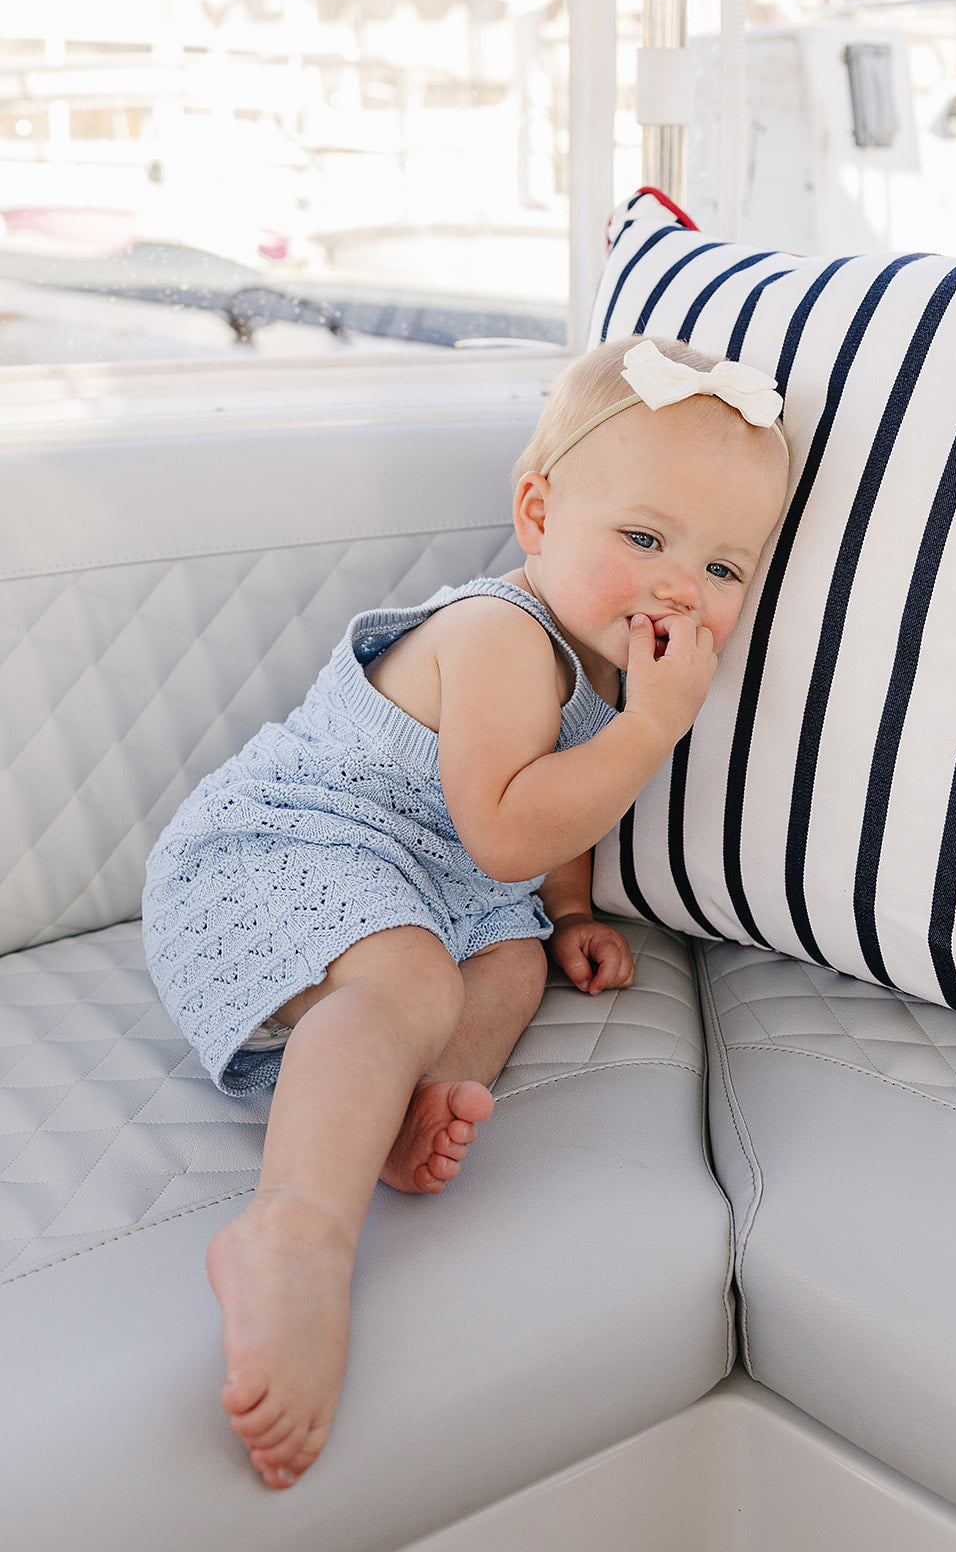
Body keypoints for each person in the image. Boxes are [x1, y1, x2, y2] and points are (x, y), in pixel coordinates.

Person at [141, 334, 790, 1491]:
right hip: (285, 847)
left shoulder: (600, 663)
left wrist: (569, 907)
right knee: (409, 979)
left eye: (723, 568)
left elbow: (551, 814)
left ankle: (408, 1101)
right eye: (644, 539)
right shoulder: (499, 636)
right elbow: (504, 824)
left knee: (508, 969)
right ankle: (294, 1230)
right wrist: (654, 726)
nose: (678, 587)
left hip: (433, 883)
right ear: (537, 512)